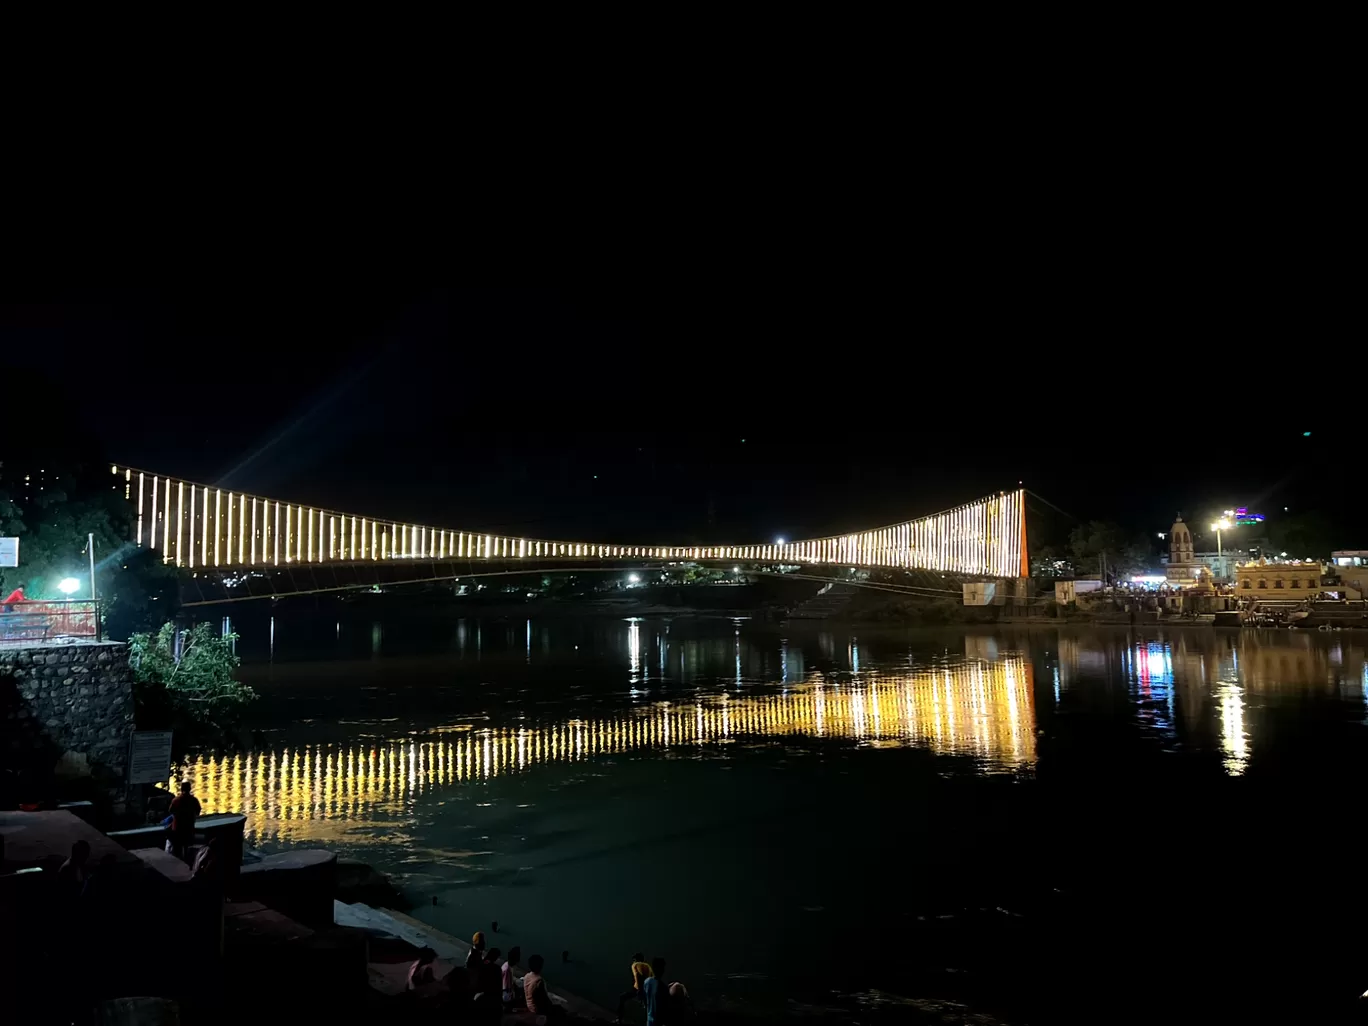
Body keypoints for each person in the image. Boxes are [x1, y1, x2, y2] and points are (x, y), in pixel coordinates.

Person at [523, 954, 565, 1021]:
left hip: (529, 1004)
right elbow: (544, 999)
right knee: (560, 1008)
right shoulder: (539, 980)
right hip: (536, 1009)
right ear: (540, 966)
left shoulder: (527, 976)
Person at [167, 780, 201, 860]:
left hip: (177, 827)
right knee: (187, 847)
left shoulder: (176, 800)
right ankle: (187, 862)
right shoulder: (194, 800)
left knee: (177, 848)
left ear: (181, 789)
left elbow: (170, 811)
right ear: (190, 789)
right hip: (189, 827)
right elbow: (198, 811)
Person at [616, 953, 653, 1022]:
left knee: (622, 997)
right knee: (648, 1008)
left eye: (634, 960)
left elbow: (638, 976)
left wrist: (640, 990)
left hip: (639, 988)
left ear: (636, 959)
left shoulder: (635, 965)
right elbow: (652, 978)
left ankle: (619, 1019)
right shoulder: (648, 966)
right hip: (648, 989)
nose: (633, 961)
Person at [641, 957, 667, 1026]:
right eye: (661, 967)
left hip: (649, 1021)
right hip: (657, 1022)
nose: (663, 970)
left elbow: (644, 1001)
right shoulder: (662, 987)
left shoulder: (646, 982)